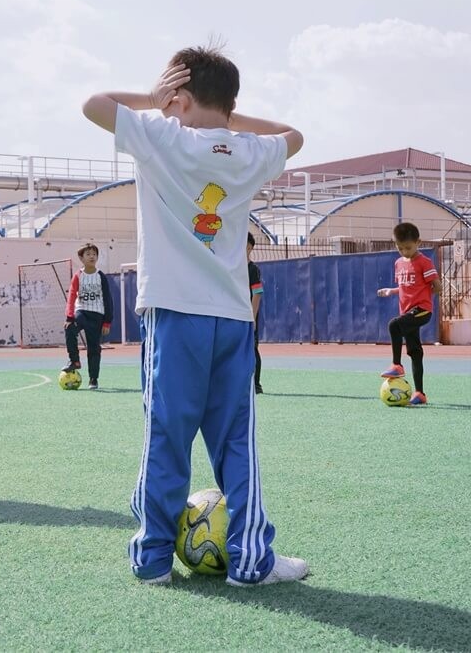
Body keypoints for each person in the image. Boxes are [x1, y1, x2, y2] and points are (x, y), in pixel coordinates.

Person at [82, 44, 307, 586]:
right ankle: (252, 562)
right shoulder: (250, 152)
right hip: (231, 316)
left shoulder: (160, 135)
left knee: (167, 436)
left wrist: (155, 99)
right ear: (228, 102)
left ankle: (154, 559)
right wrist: (227, 115)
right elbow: (293, 135)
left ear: (178, 97)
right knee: (236, 441)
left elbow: (93, 103)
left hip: (173, 313)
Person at [377, 222, 441, 406]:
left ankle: (396, 365)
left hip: (422, 310)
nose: (404, 251)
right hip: (408, 312)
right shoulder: (398, 263)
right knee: (415, 352)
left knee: (393, 325)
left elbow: (437, 287)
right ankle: (420, 393)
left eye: (408, 247)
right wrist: (392, 290)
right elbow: (406, 287)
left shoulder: (424, 262)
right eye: (400, 248)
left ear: (418, 242)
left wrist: (425, 293)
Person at [62, 243, 113, 390]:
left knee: (94, 348)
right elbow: (71, 296)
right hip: (82, 312)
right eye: (88, 254)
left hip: (97, 315)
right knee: (70, 328)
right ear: (81, 258)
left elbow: (108, 300)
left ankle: (93, 379)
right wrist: (69, 317)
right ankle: (75, 361)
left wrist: (107, 322)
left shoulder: (100, 277)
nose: (92, 256)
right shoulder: (78, 276)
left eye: (94, 254)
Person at [247, 232, 264, 394]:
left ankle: (256, 384)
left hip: (248, 315)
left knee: (252, 348)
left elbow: (257, 293)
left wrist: (252, 317)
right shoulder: (233, 268)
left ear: (249, 247)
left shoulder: (253, 269)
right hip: (235, 314)